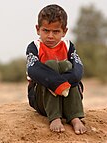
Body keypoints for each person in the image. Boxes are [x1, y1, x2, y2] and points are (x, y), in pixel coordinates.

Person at [26, 4, 87, 134]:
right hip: (42, 100)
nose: (50, 36)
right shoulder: (34, 47)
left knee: (67, 66)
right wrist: (55, 83)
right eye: (46, 30)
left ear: (64, 31)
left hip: (66, 98)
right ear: (38, 29)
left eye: (56, 31)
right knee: (50, 65)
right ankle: (54, 117)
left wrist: (62, 83)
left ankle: (75, 116)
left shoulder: (68, 46)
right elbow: (32, 69)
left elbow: (78, 70)